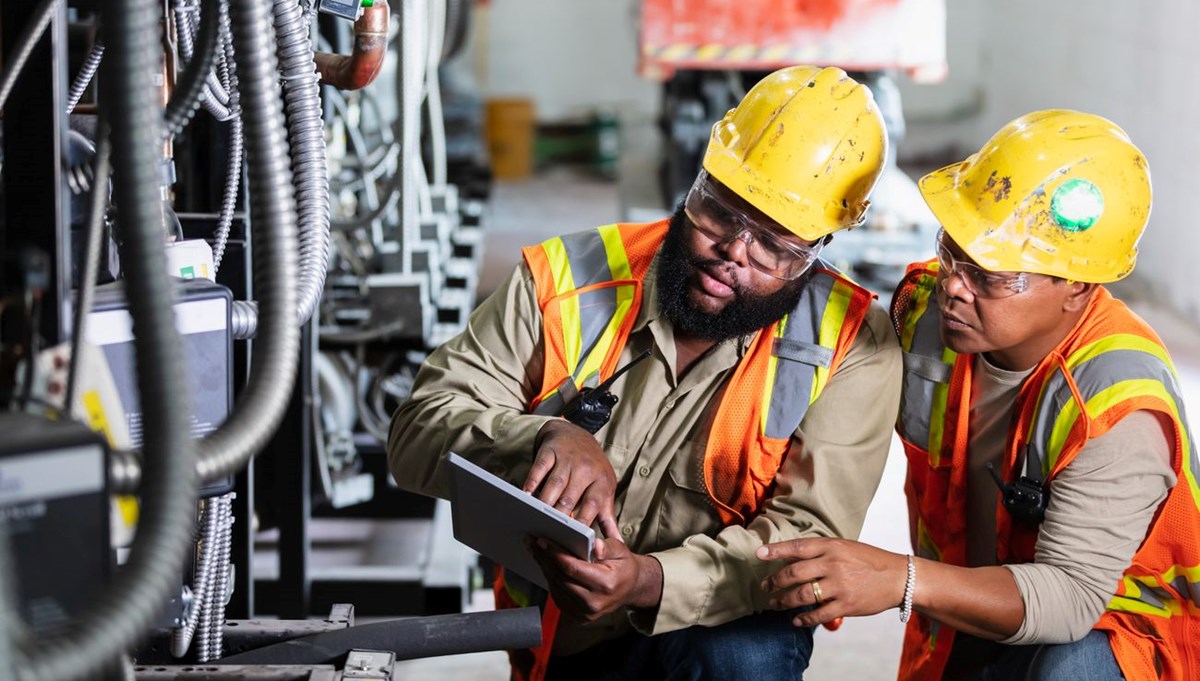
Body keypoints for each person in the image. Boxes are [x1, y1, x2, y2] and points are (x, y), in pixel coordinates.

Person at [387, 65, 901, 681]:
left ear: (818, 249)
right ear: (698, 179)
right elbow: (416, 433)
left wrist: (649, 581)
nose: (734, 251)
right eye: (720, 211)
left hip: (716, 626)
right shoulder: (568, 280)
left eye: (774, 244)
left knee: (744, 654)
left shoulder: (852, 347)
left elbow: (805, 540)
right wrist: (544, 436)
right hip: (560, 630)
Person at [757, 110, 1199, 681]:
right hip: (974, 604)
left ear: (1077, 287)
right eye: (951, 252)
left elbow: (1068, 597)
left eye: (990, 275)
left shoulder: (1117, 402)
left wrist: (899, 578)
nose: (953, 287)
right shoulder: (923, 316)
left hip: (1118, 638)